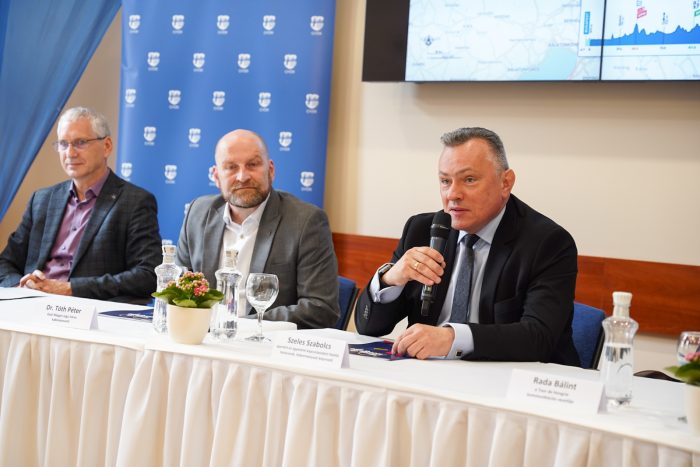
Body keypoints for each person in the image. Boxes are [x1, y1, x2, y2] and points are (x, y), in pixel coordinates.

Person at [355, 127, 580, 365]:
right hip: (430, 375)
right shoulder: (422, 230)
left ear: (505, 183)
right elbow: (368, 327)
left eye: (469, 180)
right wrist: (391, 279)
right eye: (445, 181)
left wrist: (453, 338)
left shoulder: (547, 243)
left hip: (510, 378)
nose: (453, 194)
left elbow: (538, 338)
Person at [176, 129, 339, 329]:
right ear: (216, 176)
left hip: (266, 343)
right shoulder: (197, 213)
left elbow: (321, 308)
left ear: (270, 170)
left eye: (252, 164)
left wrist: (239, 327)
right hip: (202, 338)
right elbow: (178, 290)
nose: (242, 176)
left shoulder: (306, 221)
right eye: (231, 167)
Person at [0, 107, 162, 303]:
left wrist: (70, 289)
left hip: (91, 312)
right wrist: (21, 287)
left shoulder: (135, 201)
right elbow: (5, 262)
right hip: (32, 305)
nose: (70, 153)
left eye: (80, 142)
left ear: (107, 146)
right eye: (63, 144)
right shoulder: (41, 200)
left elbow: (147, 275)